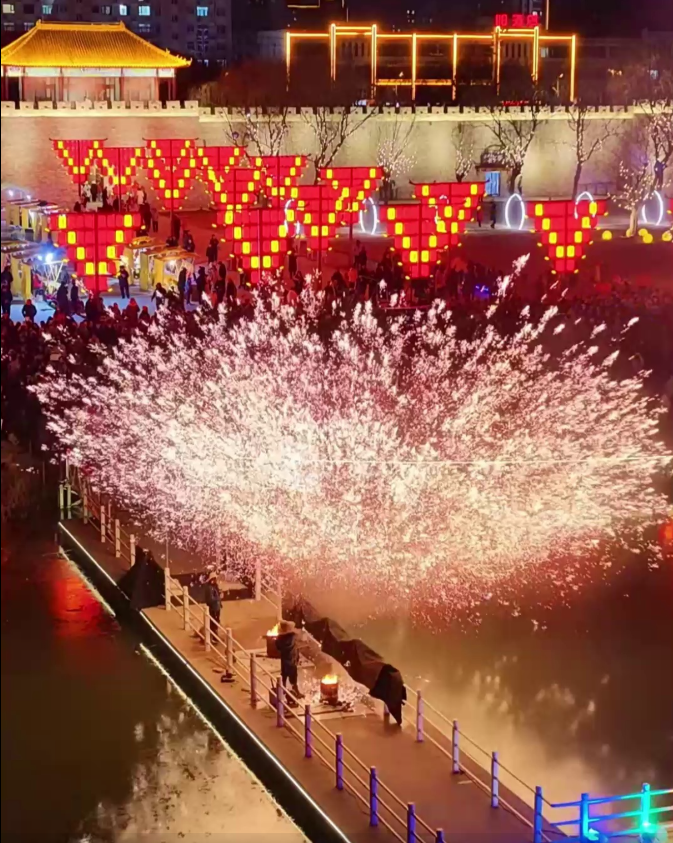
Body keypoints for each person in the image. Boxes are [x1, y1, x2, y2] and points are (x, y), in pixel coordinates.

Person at [275, 619, 303, 703]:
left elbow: (278, 647)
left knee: (284, 676)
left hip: (285, 660)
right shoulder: (292, 638)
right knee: (293, 676)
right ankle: (295, 691)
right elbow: (296, 648)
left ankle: (282, 691)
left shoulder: (280, 639)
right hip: (291, 660)